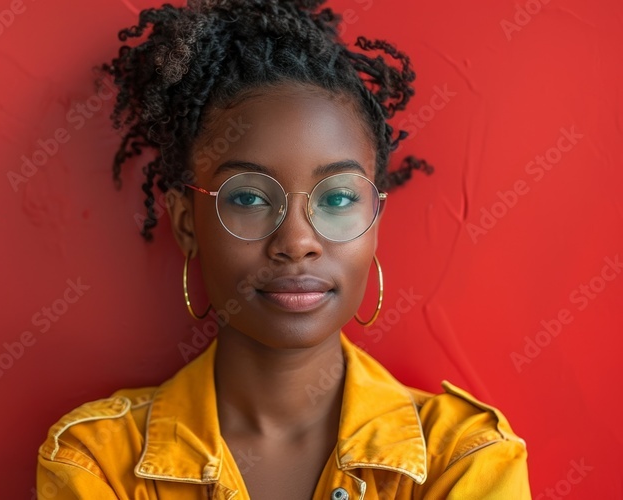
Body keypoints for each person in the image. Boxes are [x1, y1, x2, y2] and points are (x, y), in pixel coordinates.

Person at [35, 0, 531, 498]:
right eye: (249, 197)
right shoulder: (97, 461)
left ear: (375, 217)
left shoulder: (463, 457)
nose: (296, 242)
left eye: (337, 197)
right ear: (186, 222)